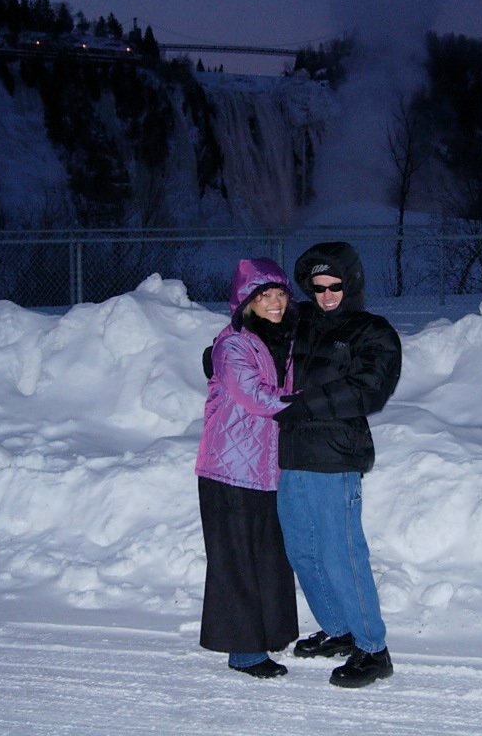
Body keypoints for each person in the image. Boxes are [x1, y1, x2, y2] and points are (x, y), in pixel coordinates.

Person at [273, 241, 402, 688]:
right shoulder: (299, 321)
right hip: (291, 455)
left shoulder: (373, 331)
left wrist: (306, 405)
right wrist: (223, 352)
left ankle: (373, 648)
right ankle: (340, 629)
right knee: (302, 551)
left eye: (336, 287)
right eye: (318, 287)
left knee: (341, 554)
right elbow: (257, 336)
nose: (326, 295)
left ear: (352, 284)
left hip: (335, 456)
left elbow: (370, 388)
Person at [195, 257, 299, 678]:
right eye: (263, 295)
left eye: (279, 294)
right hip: (229, 469)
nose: (274, 302)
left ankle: (269, 636)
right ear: (246, 301)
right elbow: (259, 398)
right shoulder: (232, 344)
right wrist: (313, 404)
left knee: (270, 555)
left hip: (268, 469)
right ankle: (244, 652)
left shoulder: (281, 338)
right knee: (236, 558)